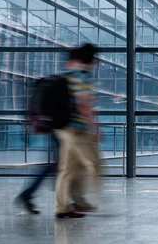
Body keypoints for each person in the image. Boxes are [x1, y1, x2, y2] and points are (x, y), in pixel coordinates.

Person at [54, 43, 101, 219]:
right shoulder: (82, 76)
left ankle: (63, 206)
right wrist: (94, 126)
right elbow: (83, 104)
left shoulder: (69, 75)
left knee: (68, 168)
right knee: (94, 162)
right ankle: (96, 200)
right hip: (76, 129)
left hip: (65, 128)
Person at [15, 134, 58, 214]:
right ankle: (70, 203)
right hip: (60, 129)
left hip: (58, 129)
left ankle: (27, 194)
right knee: (58, 167)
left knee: (55, 167)